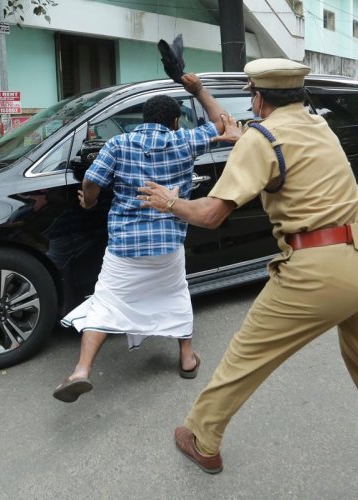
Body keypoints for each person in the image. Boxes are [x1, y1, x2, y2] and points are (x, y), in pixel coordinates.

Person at [138, 58, 358, 499]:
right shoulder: (316, 126)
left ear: (259, 97)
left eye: (250, 94)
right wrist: (199, 92)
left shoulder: (261, 139)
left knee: (245, 357)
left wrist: (170, 202)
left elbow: (211, 213)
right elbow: (235, 128)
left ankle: (202, 439)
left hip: (318, 272)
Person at [52, 73, 240, 403]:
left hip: (125, 244)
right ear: (174, 120)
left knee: (107, 299)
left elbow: (92, 180)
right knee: (176, 293)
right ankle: (186, 359)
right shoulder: (183, 141)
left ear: (144, 119)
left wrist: (91, 200)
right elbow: (224, 124)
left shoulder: (118, 143)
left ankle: (81, 371)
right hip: (168, 243)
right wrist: (197, 89)